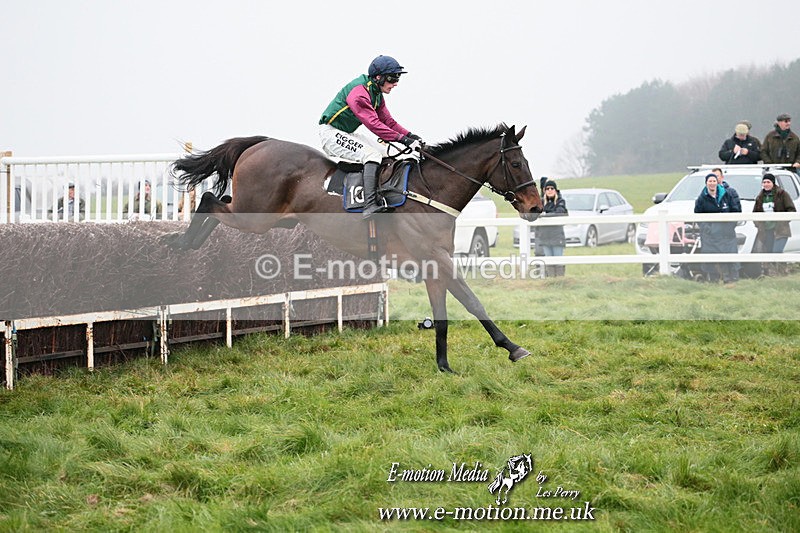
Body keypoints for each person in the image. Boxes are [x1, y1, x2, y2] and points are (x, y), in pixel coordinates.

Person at [319, 55, 422, 218]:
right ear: (378, 77)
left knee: (385, 153)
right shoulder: (359, 94)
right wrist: (403, 140)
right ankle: (369, 205)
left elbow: (388, 121)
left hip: (347, 133)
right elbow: (374, 124)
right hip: (331, 133)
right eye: (392, 78)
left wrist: (410, 135)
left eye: (397, 78)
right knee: (372, 155)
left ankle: (383, 194)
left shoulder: (376, 93)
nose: (395, 83)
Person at [694, 173, 741, 283]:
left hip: (727, 233)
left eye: (714, 181)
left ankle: (731, 280)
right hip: (710, 235)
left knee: (730, 255)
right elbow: (698, 216)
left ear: (717, 182)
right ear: (706, 183)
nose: (712, 183)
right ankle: (713, 280)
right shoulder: (701, 199)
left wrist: (730, 225)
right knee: (711, 257)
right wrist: (708, 229)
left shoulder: (727, 195)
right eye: (709, 181)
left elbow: (735, 210)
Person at [753, 173, 796, 275]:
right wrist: (759, 224)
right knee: (768, 253)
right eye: (764, 182)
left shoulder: (782, 194)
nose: (766, 184)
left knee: (777, 251)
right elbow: (755, 213)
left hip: (780, 230)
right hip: (766, 231)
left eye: (768, 182)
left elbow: (791, 210)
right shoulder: (760, 197)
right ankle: (771, 274)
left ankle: (782, 273)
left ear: (773, 183)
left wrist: (782, 221)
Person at [535, 179, 568, 277]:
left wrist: (545, 215)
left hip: (557, 236)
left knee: (558, 259)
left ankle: (560, 280)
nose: (549, 190)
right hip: (544, 236)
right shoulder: (541, 202)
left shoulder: (561, 201)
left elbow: (560, 213)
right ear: (544, 190)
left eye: (552, 188)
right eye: (547, 188)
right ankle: (552, 281)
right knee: (549, 260)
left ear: (555, 190)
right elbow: (536, 214)